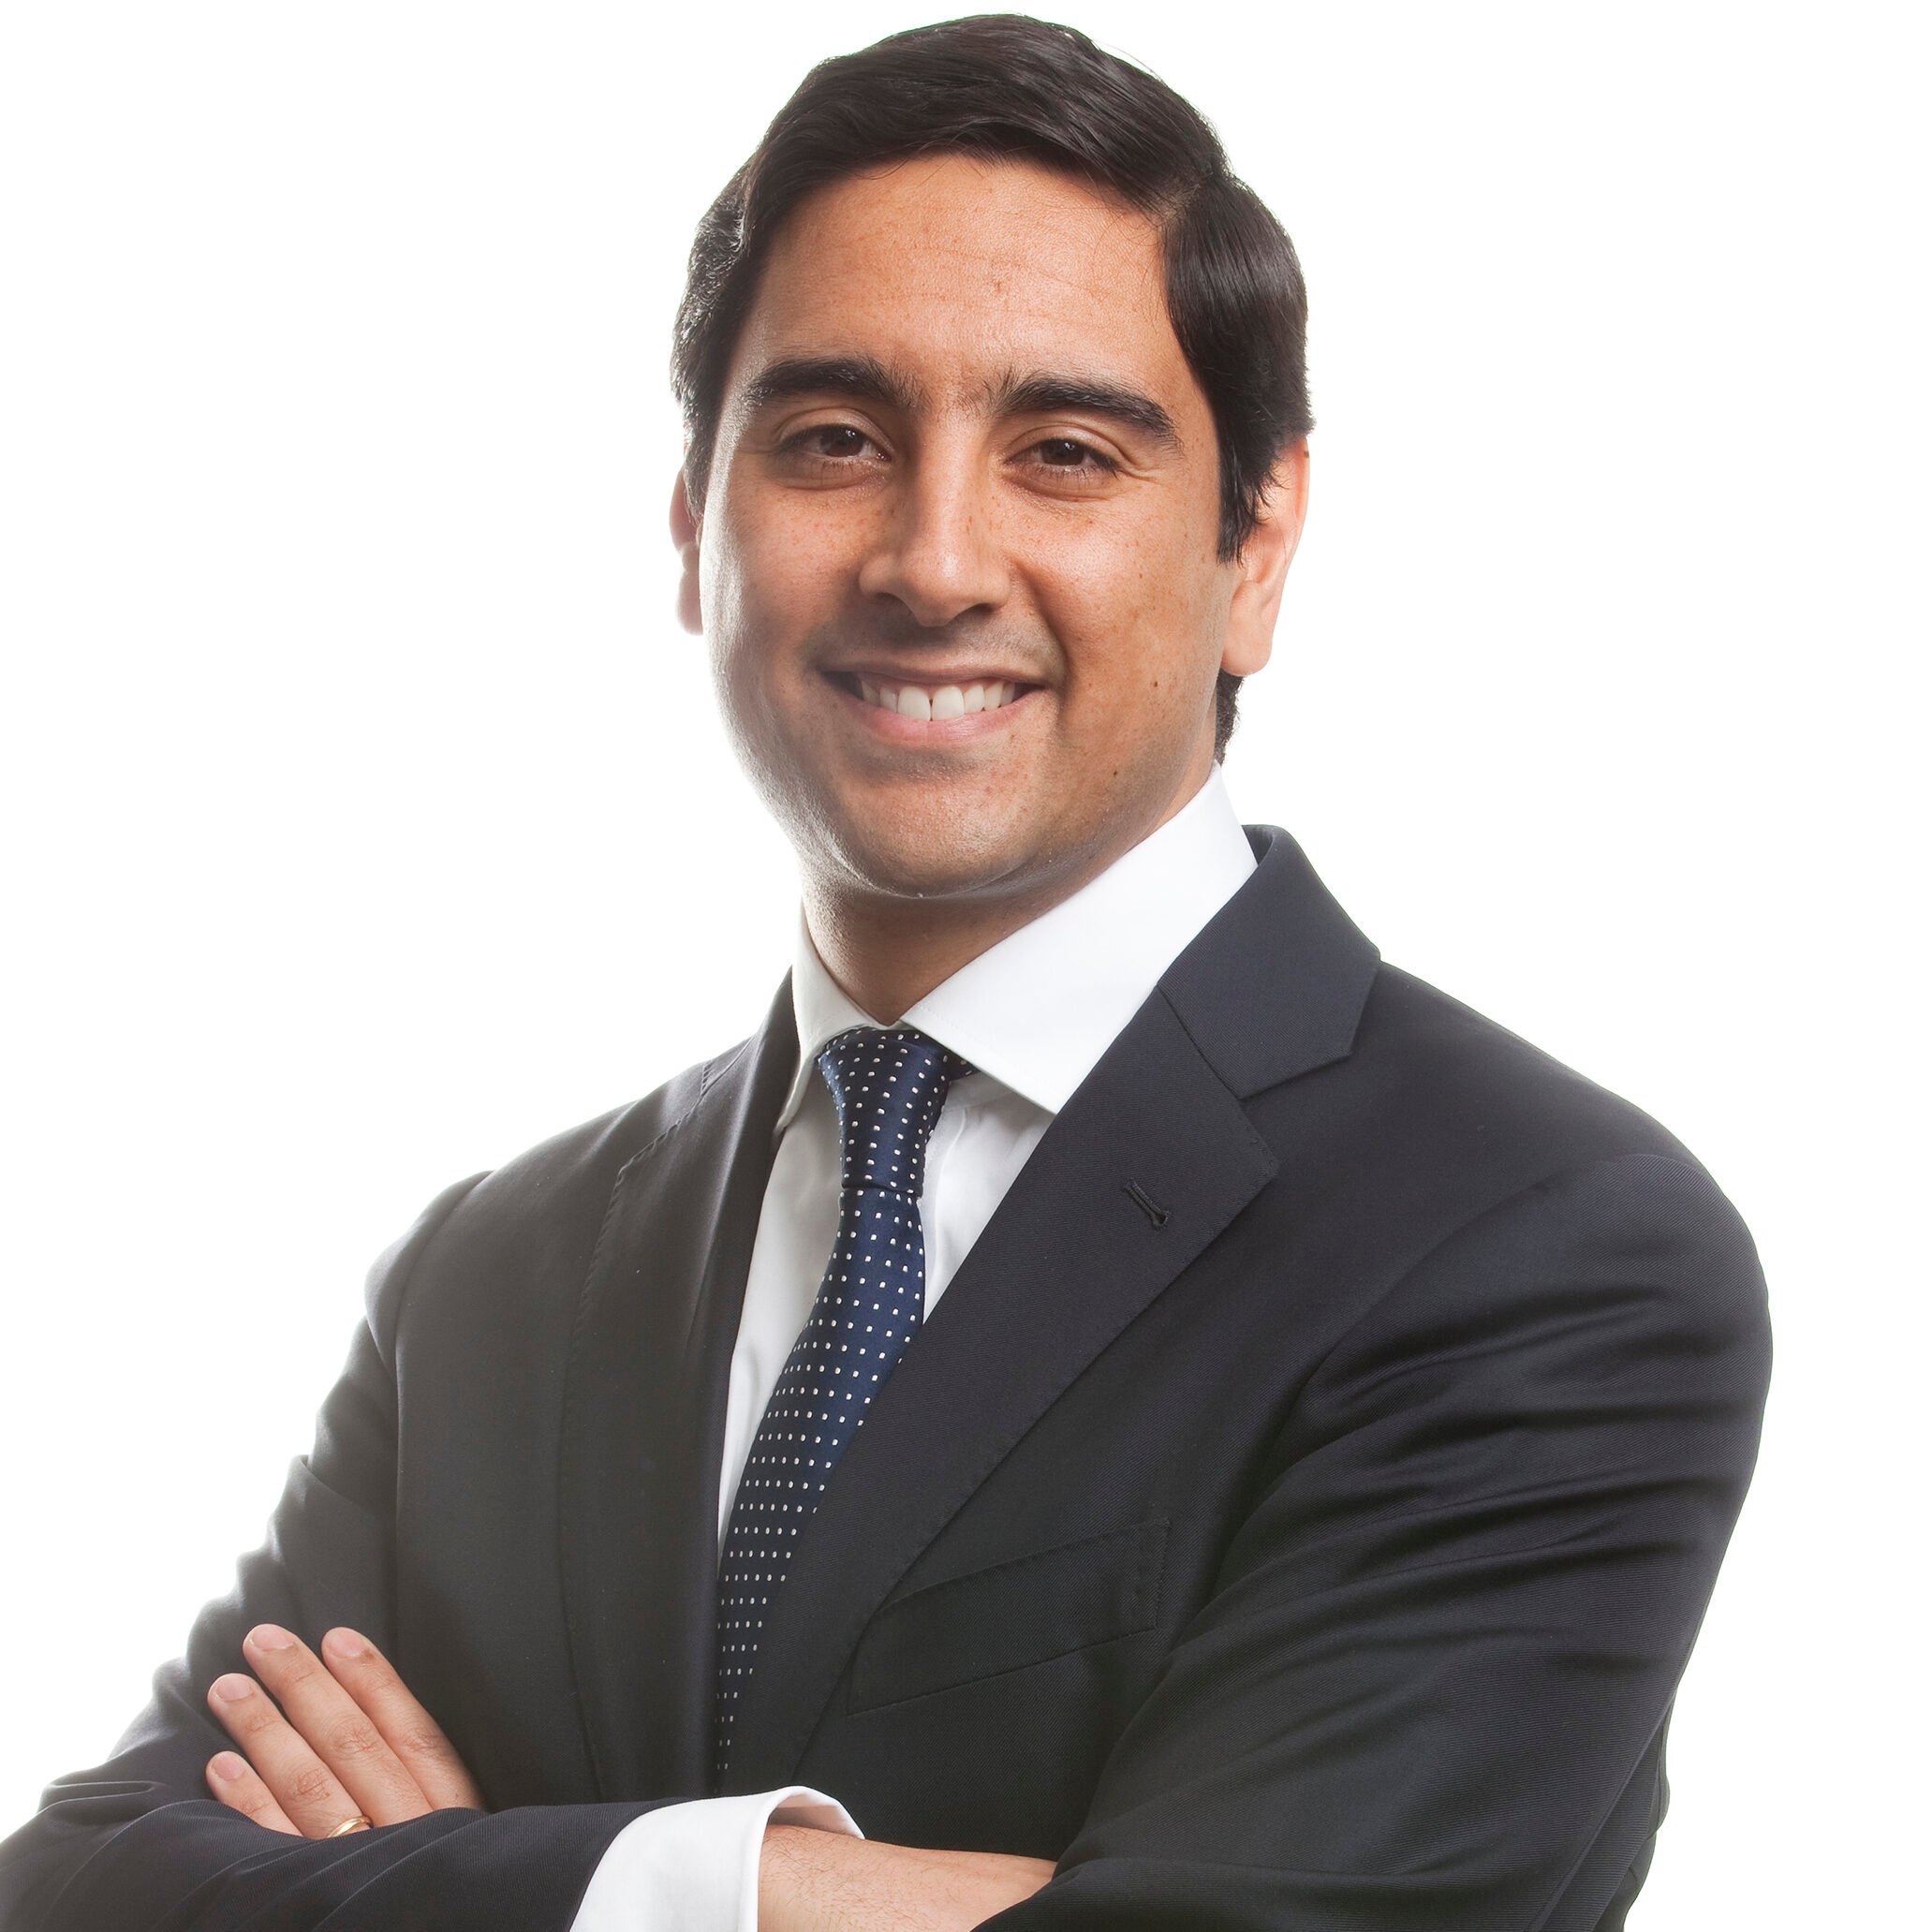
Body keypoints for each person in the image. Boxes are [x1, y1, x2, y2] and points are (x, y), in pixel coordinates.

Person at [0, 15, 1771, 1931]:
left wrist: (454, 1883)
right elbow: (78, 1885)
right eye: (834, 440)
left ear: (1256, 546)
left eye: (1065, 453)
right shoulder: (491, 1283)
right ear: (697, 523)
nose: (934, 563)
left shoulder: (1536, 1252)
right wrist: (759, 1888)